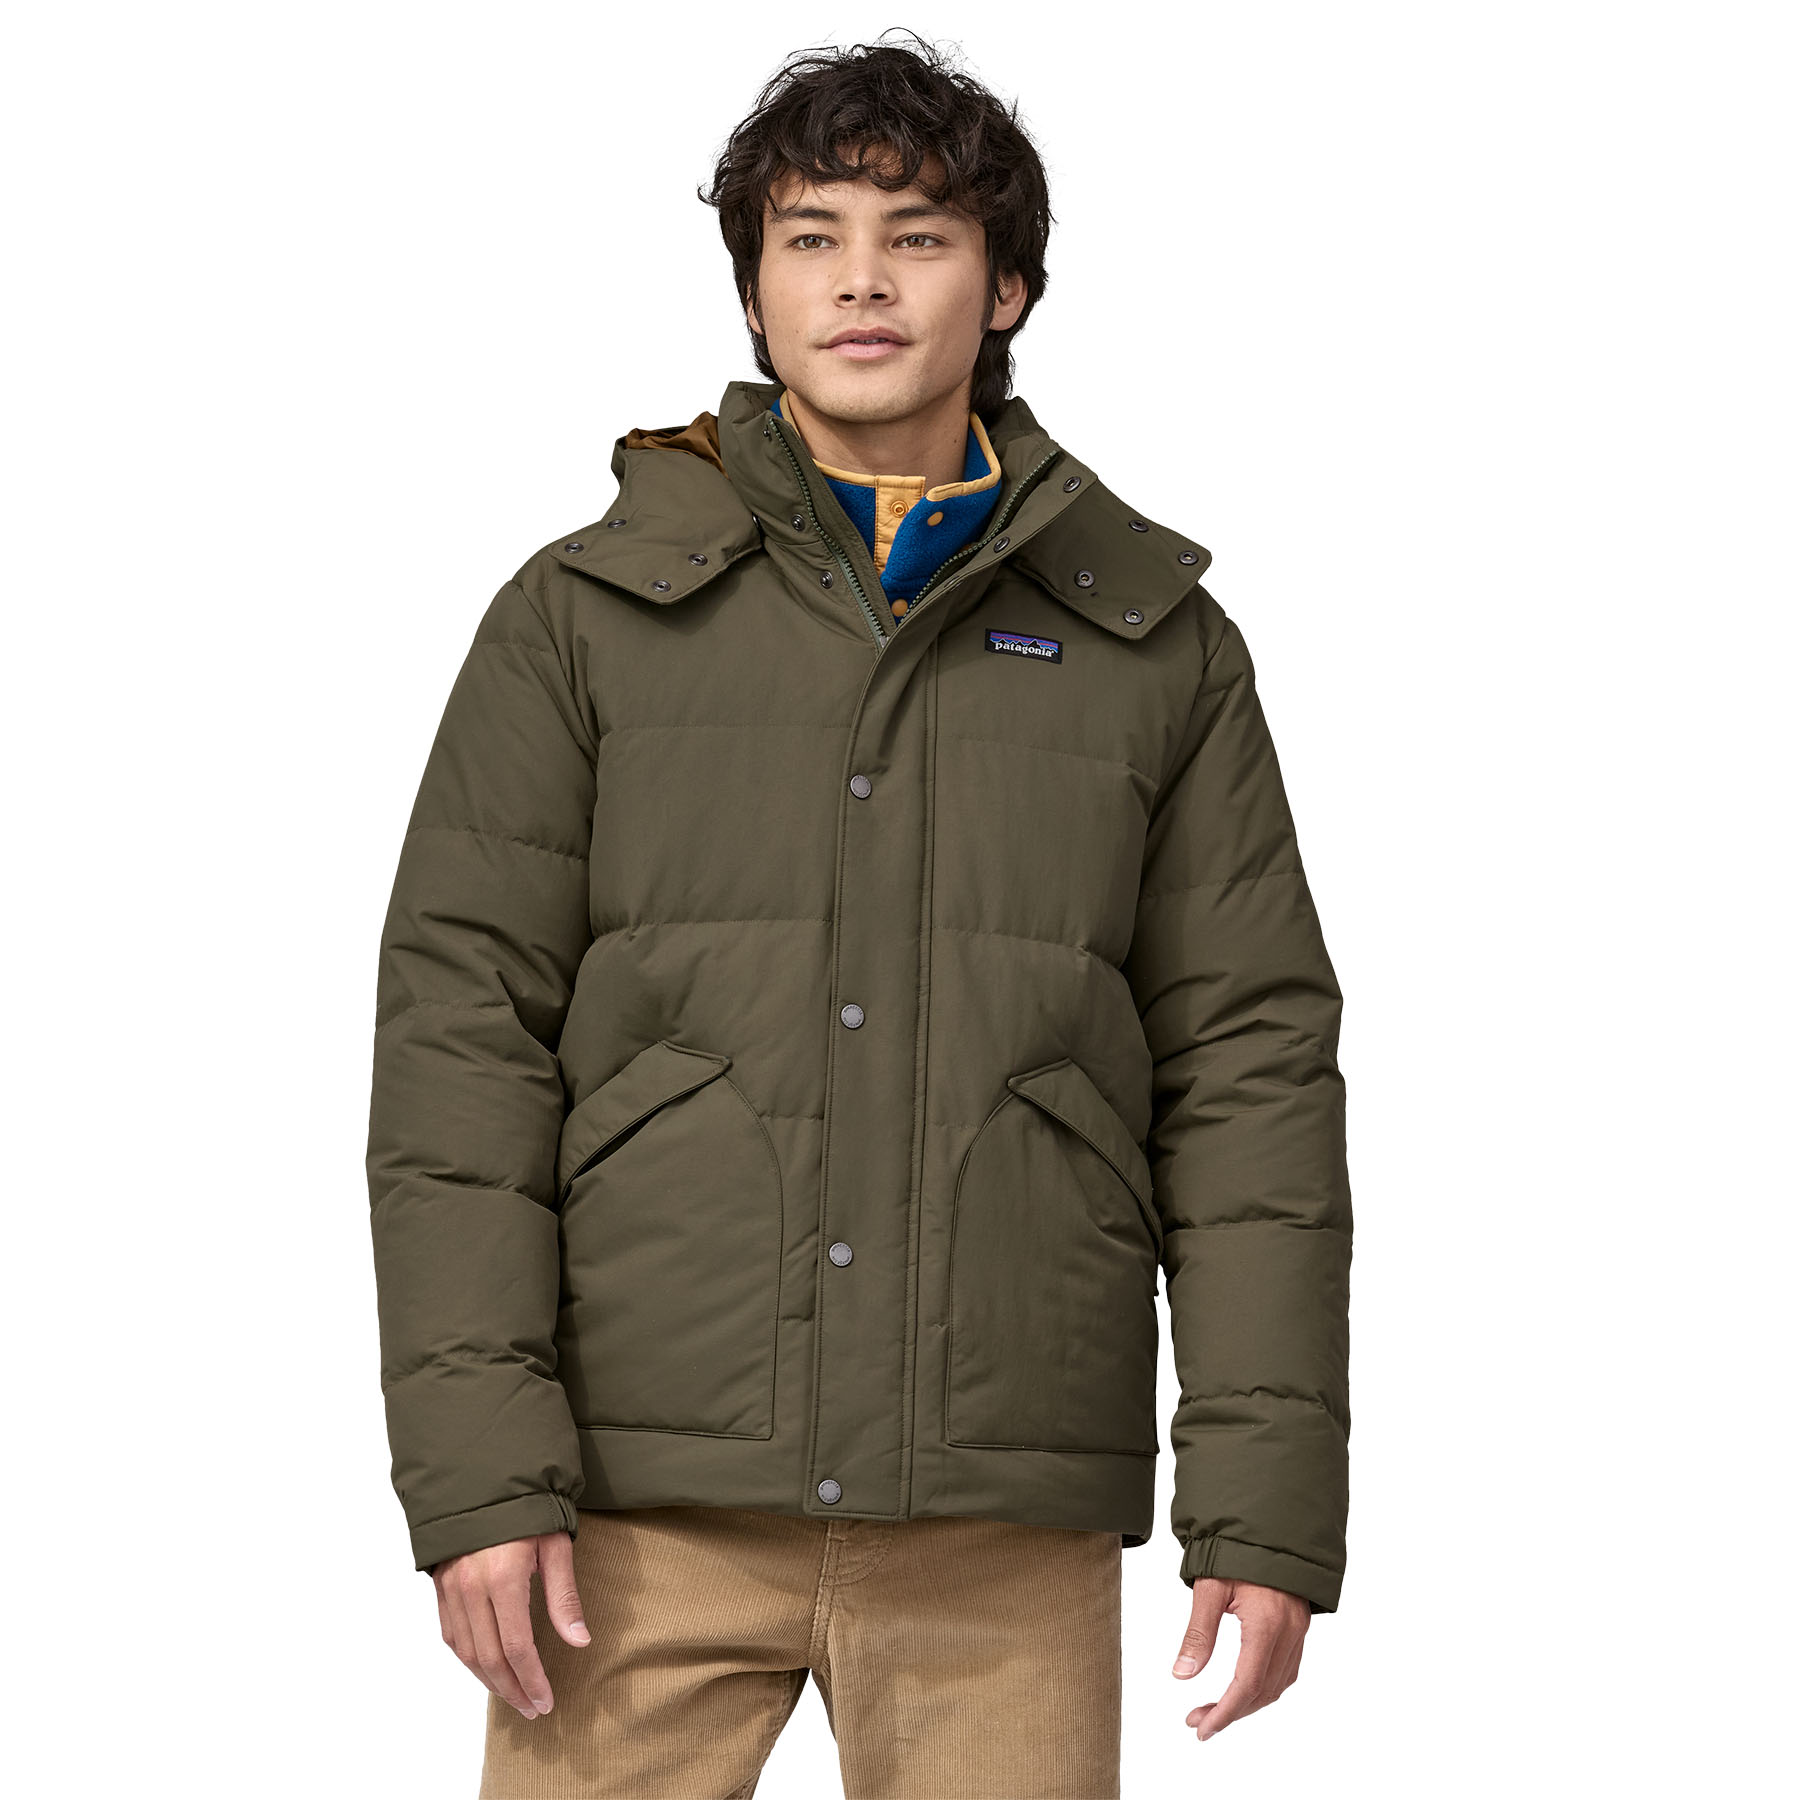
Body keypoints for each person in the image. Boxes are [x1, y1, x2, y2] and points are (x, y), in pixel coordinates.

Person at [365, 30, 1351, 1798]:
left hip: (1001, 1512)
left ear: (1007, 287)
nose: (862, 281)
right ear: (755, 293)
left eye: (921, 235)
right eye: (811, 237)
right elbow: (461, 1053)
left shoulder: (1154, 645)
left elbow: (1251, 1076)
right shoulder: (581, 618)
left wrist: (1266, 1504)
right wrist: (479, 1473)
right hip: (633, 1511)